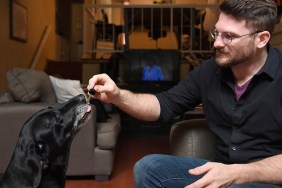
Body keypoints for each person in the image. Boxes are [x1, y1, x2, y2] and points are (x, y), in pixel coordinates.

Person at [88, 0, 282, 187]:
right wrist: (117, 95)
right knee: (148, 168)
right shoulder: (207, 72)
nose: (216, 43)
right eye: (216, 33)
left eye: (229, 36)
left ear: (261, 39)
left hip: (267, 179)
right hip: (219, 171)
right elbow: (161, 105)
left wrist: (238, 174)